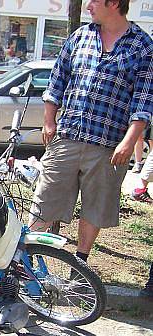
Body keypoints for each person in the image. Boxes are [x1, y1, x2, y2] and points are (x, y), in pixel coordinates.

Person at [29, 0, 152, 265]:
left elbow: (143, 100)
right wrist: (49, 120)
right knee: (46, 200)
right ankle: (27, 265)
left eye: (94, 1)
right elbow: (57, 79)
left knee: (94, 209)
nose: (88, 6)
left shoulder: (142, 45)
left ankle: (80, 264)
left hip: (109, 146)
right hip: (67, 136)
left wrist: (129, 142)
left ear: (114, 3)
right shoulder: (80, 36)